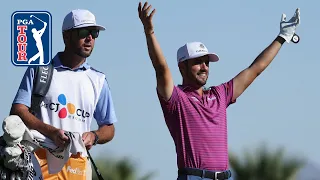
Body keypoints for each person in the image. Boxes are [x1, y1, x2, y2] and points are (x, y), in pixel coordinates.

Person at [137, 1, 300, 180]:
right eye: (198, 62)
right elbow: (161, 68)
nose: (204, 67)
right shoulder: (176, 98)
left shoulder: (220, 94)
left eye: (207, 62)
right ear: (182, 67)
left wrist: (282, 38)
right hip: (193, 177)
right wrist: (149, 32)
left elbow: (255, 69)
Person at [10, 9, 118, 180]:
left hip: (78, 164)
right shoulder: (40, 69)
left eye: (94, 33)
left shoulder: (98, 80)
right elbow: (18, 110)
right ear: (66, 36)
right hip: (39, 159)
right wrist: (51, 132)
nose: (90, 38)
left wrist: (94, 136)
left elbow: (109, 127)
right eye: (83, 32)